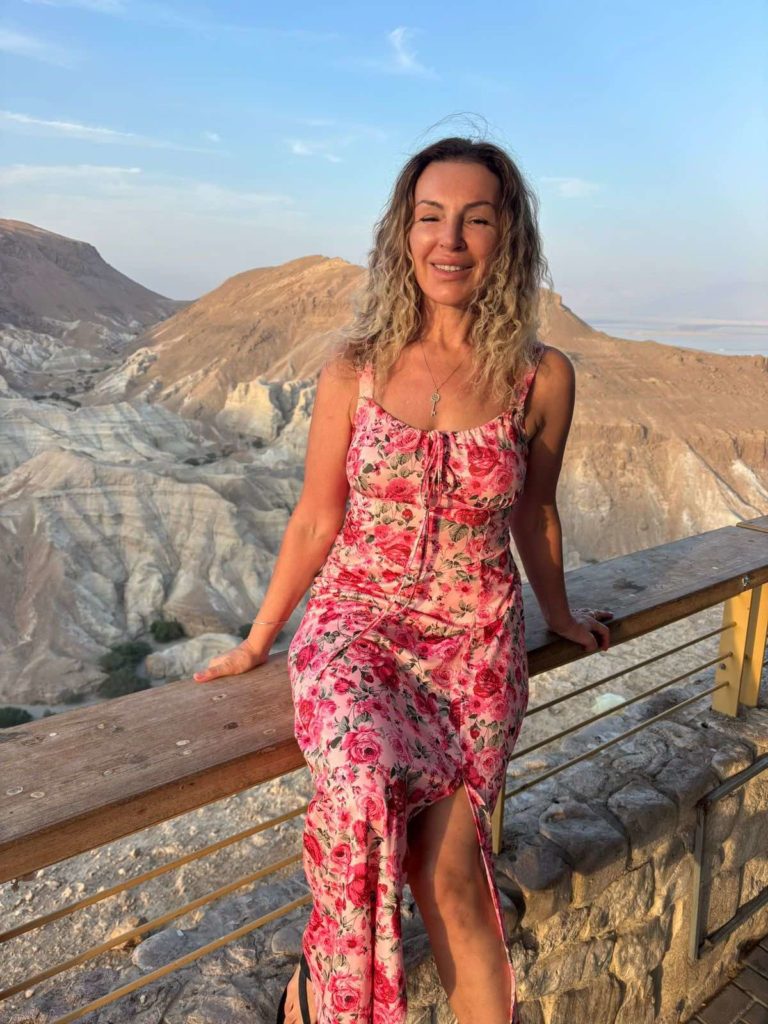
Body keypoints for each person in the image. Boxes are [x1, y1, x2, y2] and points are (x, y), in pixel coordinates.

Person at [194, 136, 613, 1024]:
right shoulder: (355, 368)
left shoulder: (542, 377)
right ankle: (328, 996)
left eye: (475, 220)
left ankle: (316, 991)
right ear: (403, 233)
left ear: (508, 238)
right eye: (431, 217)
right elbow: (317, 518)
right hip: (358, 626)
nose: (449, 240)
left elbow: (535, 513)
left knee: (451, 877)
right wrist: (259, 640)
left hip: (475, 644)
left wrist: (562, 614)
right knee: (360, 781)